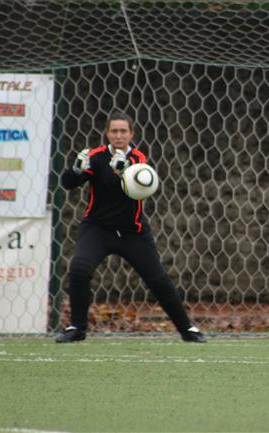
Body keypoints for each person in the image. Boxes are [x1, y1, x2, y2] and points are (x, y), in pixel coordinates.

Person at [55, 111, 206, 343]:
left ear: (131, 134)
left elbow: (133, 191)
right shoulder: (96, 156)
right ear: (107, 133)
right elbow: (68, 184)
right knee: (79, 269)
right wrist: (76, 170)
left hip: (131, 232)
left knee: (157, 279)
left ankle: (187, 329)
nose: (118, 136)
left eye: (123, 131)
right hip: (97, 229)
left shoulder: (138, 159)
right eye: (114, 131)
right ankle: (77, 328)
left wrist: (120, 172)